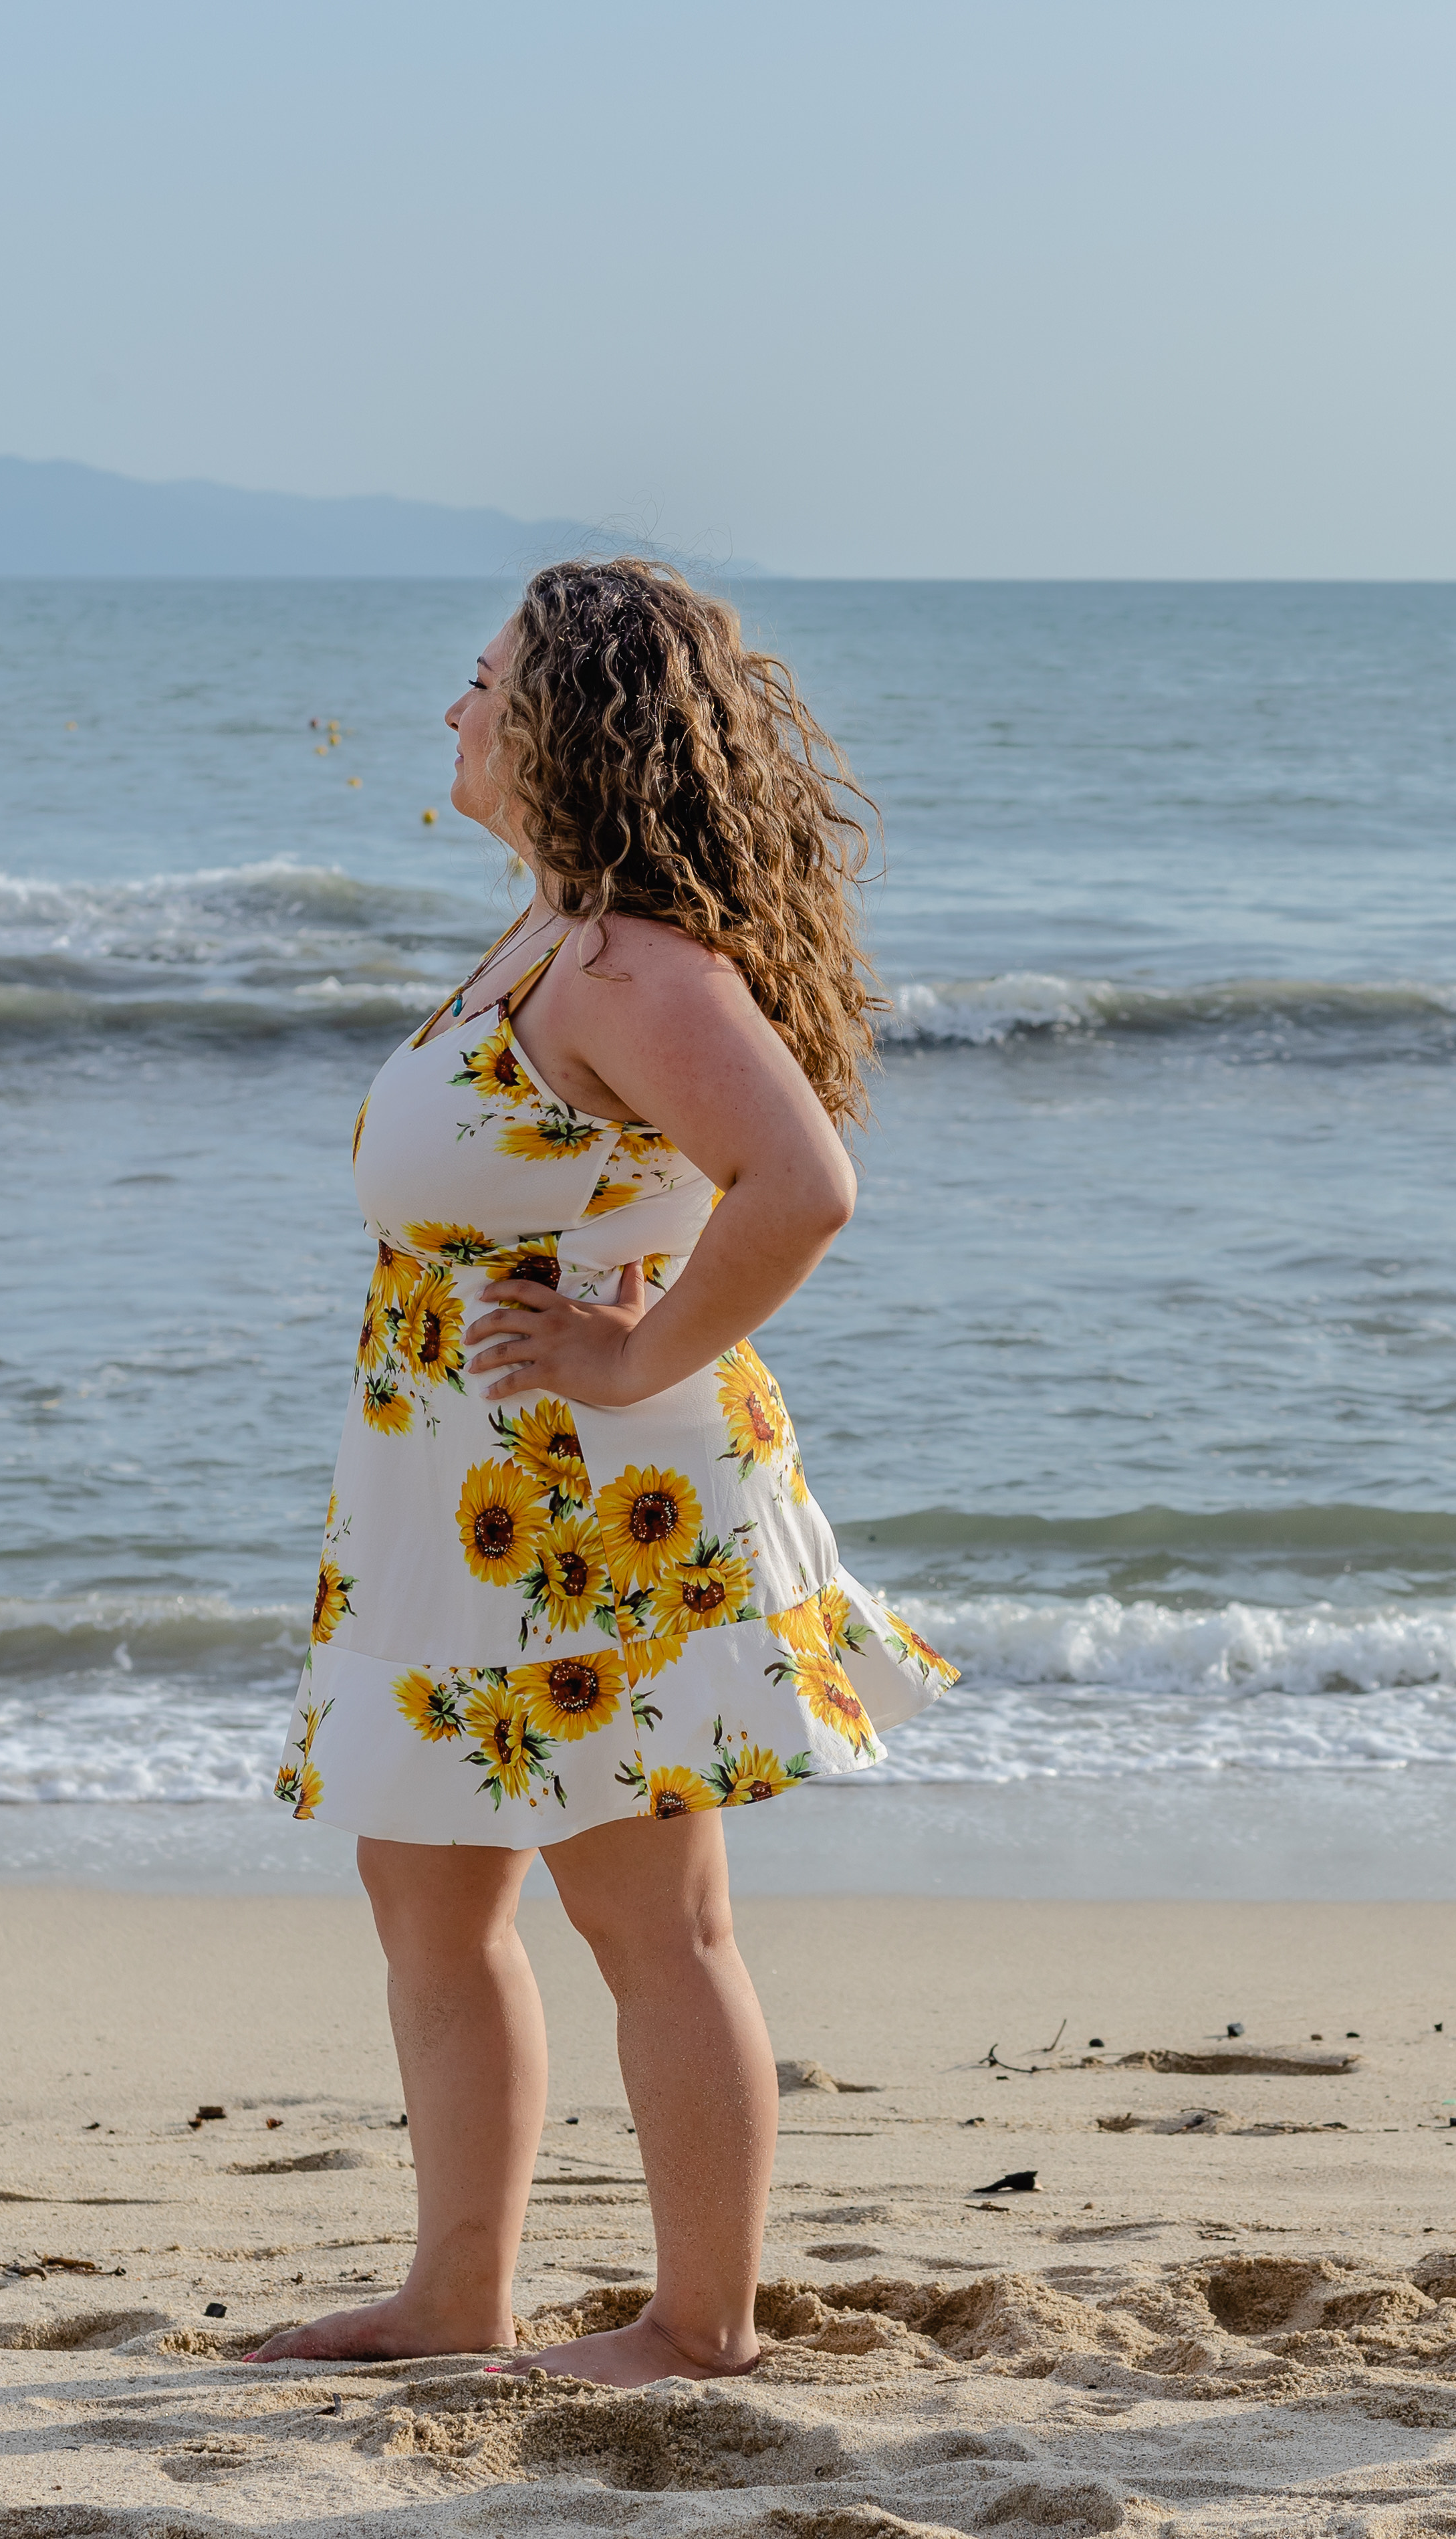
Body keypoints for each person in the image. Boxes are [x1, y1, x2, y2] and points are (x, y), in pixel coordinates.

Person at [249, 560, 958, 2383]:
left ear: (564, 721)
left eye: (482, 681)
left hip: (586, 1509)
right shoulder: (550, 933)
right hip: (445, 1491)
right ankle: (452, 2294)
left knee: (648, 1914)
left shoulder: (639, 965)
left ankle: (697, 2322)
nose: (455, 711)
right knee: (428, 1892)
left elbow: (801, 1184)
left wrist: (638, 1353)